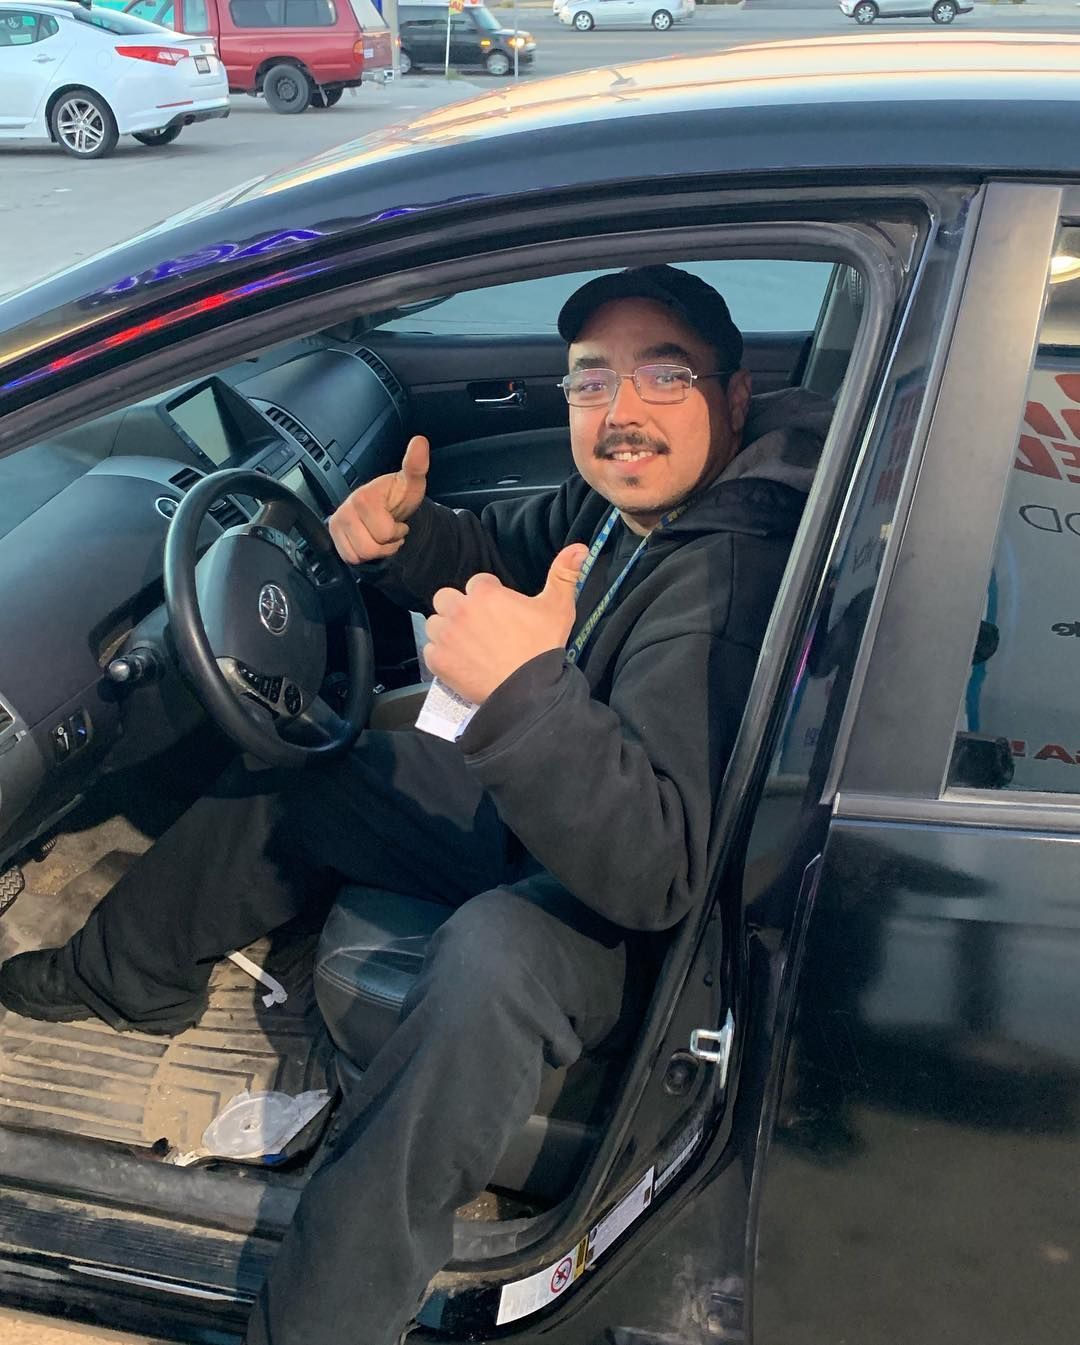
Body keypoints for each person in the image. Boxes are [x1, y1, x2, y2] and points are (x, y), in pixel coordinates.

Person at [0, 265, 832, 1345]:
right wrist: (413, 537)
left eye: (662, 376)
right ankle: (124, 976)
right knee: (338, 761)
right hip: (578, 805)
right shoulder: (651, 500)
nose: (620, 414)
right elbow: (518, 544)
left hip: (656, 917)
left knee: (494, 956)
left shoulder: (725, 577)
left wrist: (526, 696)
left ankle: (321, 1322)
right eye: (590, 384)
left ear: (734, 392)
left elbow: (662, 872)